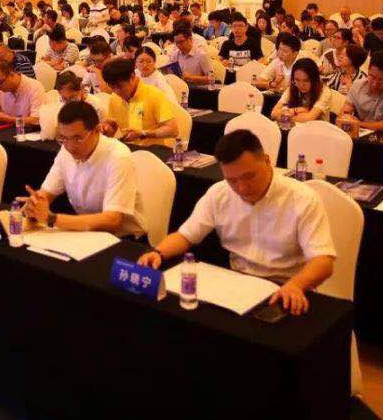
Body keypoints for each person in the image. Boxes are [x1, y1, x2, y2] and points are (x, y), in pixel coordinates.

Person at [138, 130, 335, 316]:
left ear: (267, 161)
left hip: (286, 287)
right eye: (232, 180)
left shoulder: (302, 199)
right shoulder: (219, 193)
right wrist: (158, 253)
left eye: (249, 176)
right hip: (238, 286)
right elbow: (186, 236)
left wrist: (296, 285)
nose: (242, 188)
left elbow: (323, 261)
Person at [24, 100, 147, 237]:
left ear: (97, 130)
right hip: (89, 233)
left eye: (78, 139)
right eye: (63, 138)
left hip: (125, 239)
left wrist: (52, 219)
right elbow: (47, 192)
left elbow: (113, 220)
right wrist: (36, 204)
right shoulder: (65, 151)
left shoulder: (118, 156)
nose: (70, 147)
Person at [101, 57, 178, 147]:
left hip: (153, 150)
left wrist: (143, 134)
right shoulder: (114, 97)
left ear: (132, 77)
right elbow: (112, 126)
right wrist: (108, 130)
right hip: (129, 149)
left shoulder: (154, 95)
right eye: (112, 87)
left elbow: (173, 130)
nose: (117, 92)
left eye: (120, 86)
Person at [340, 50, 383, 133]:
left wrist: (357, 123)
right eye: (372, 76)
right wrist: (346, 117)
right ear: (368, 70)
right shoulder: (358, 86)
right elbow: (342, 116)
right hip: (360, 134)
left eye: (382, 80)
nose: (375, 84)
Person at [0, 59, 44, 126]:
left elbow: (36, 120)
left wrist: (8, 119)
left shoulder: (35, 87)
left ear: (11, 74)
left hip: (29, 131)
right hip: (9, 129)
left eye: (0, 83)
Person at [270, 59, 329, 123]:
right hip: (293, 126)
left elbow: (309, 119)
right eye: (297, 80)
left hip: (316, 127)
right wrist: (296, 110)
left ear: (314, 79)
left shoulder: (324, 91)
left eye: (306, 81)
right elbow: (274, 113)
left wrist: (287, 113)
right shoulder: (293, 87)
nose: (301, 85)